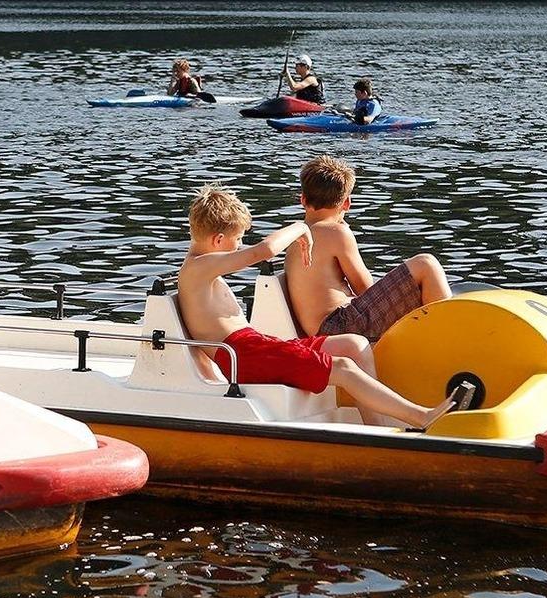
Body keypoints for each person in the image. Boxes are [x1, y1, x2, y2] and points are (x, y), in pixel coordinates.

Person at [177, 183, 473, 430]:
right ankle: (421, 416)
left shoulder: (204, 270)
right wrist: (300, 227)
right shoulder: (198, 268)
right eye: (237, 239)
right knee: (343, 368)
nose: (239, 246)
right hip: (245, 356)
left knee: (353, 345)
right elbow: (264, 251)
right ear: (218, 239)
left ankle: (378, 429)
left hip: (255, 346)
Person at [284, 156, 452, 341]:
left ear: (303, 199)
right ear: (347, 203)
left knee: (412, 282)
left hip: (328, 327)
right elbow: (364, 288)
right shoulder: (336, 233)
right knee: (426, 264)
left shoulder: (296, 237)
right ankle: (449, 339)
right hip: (339, 326)